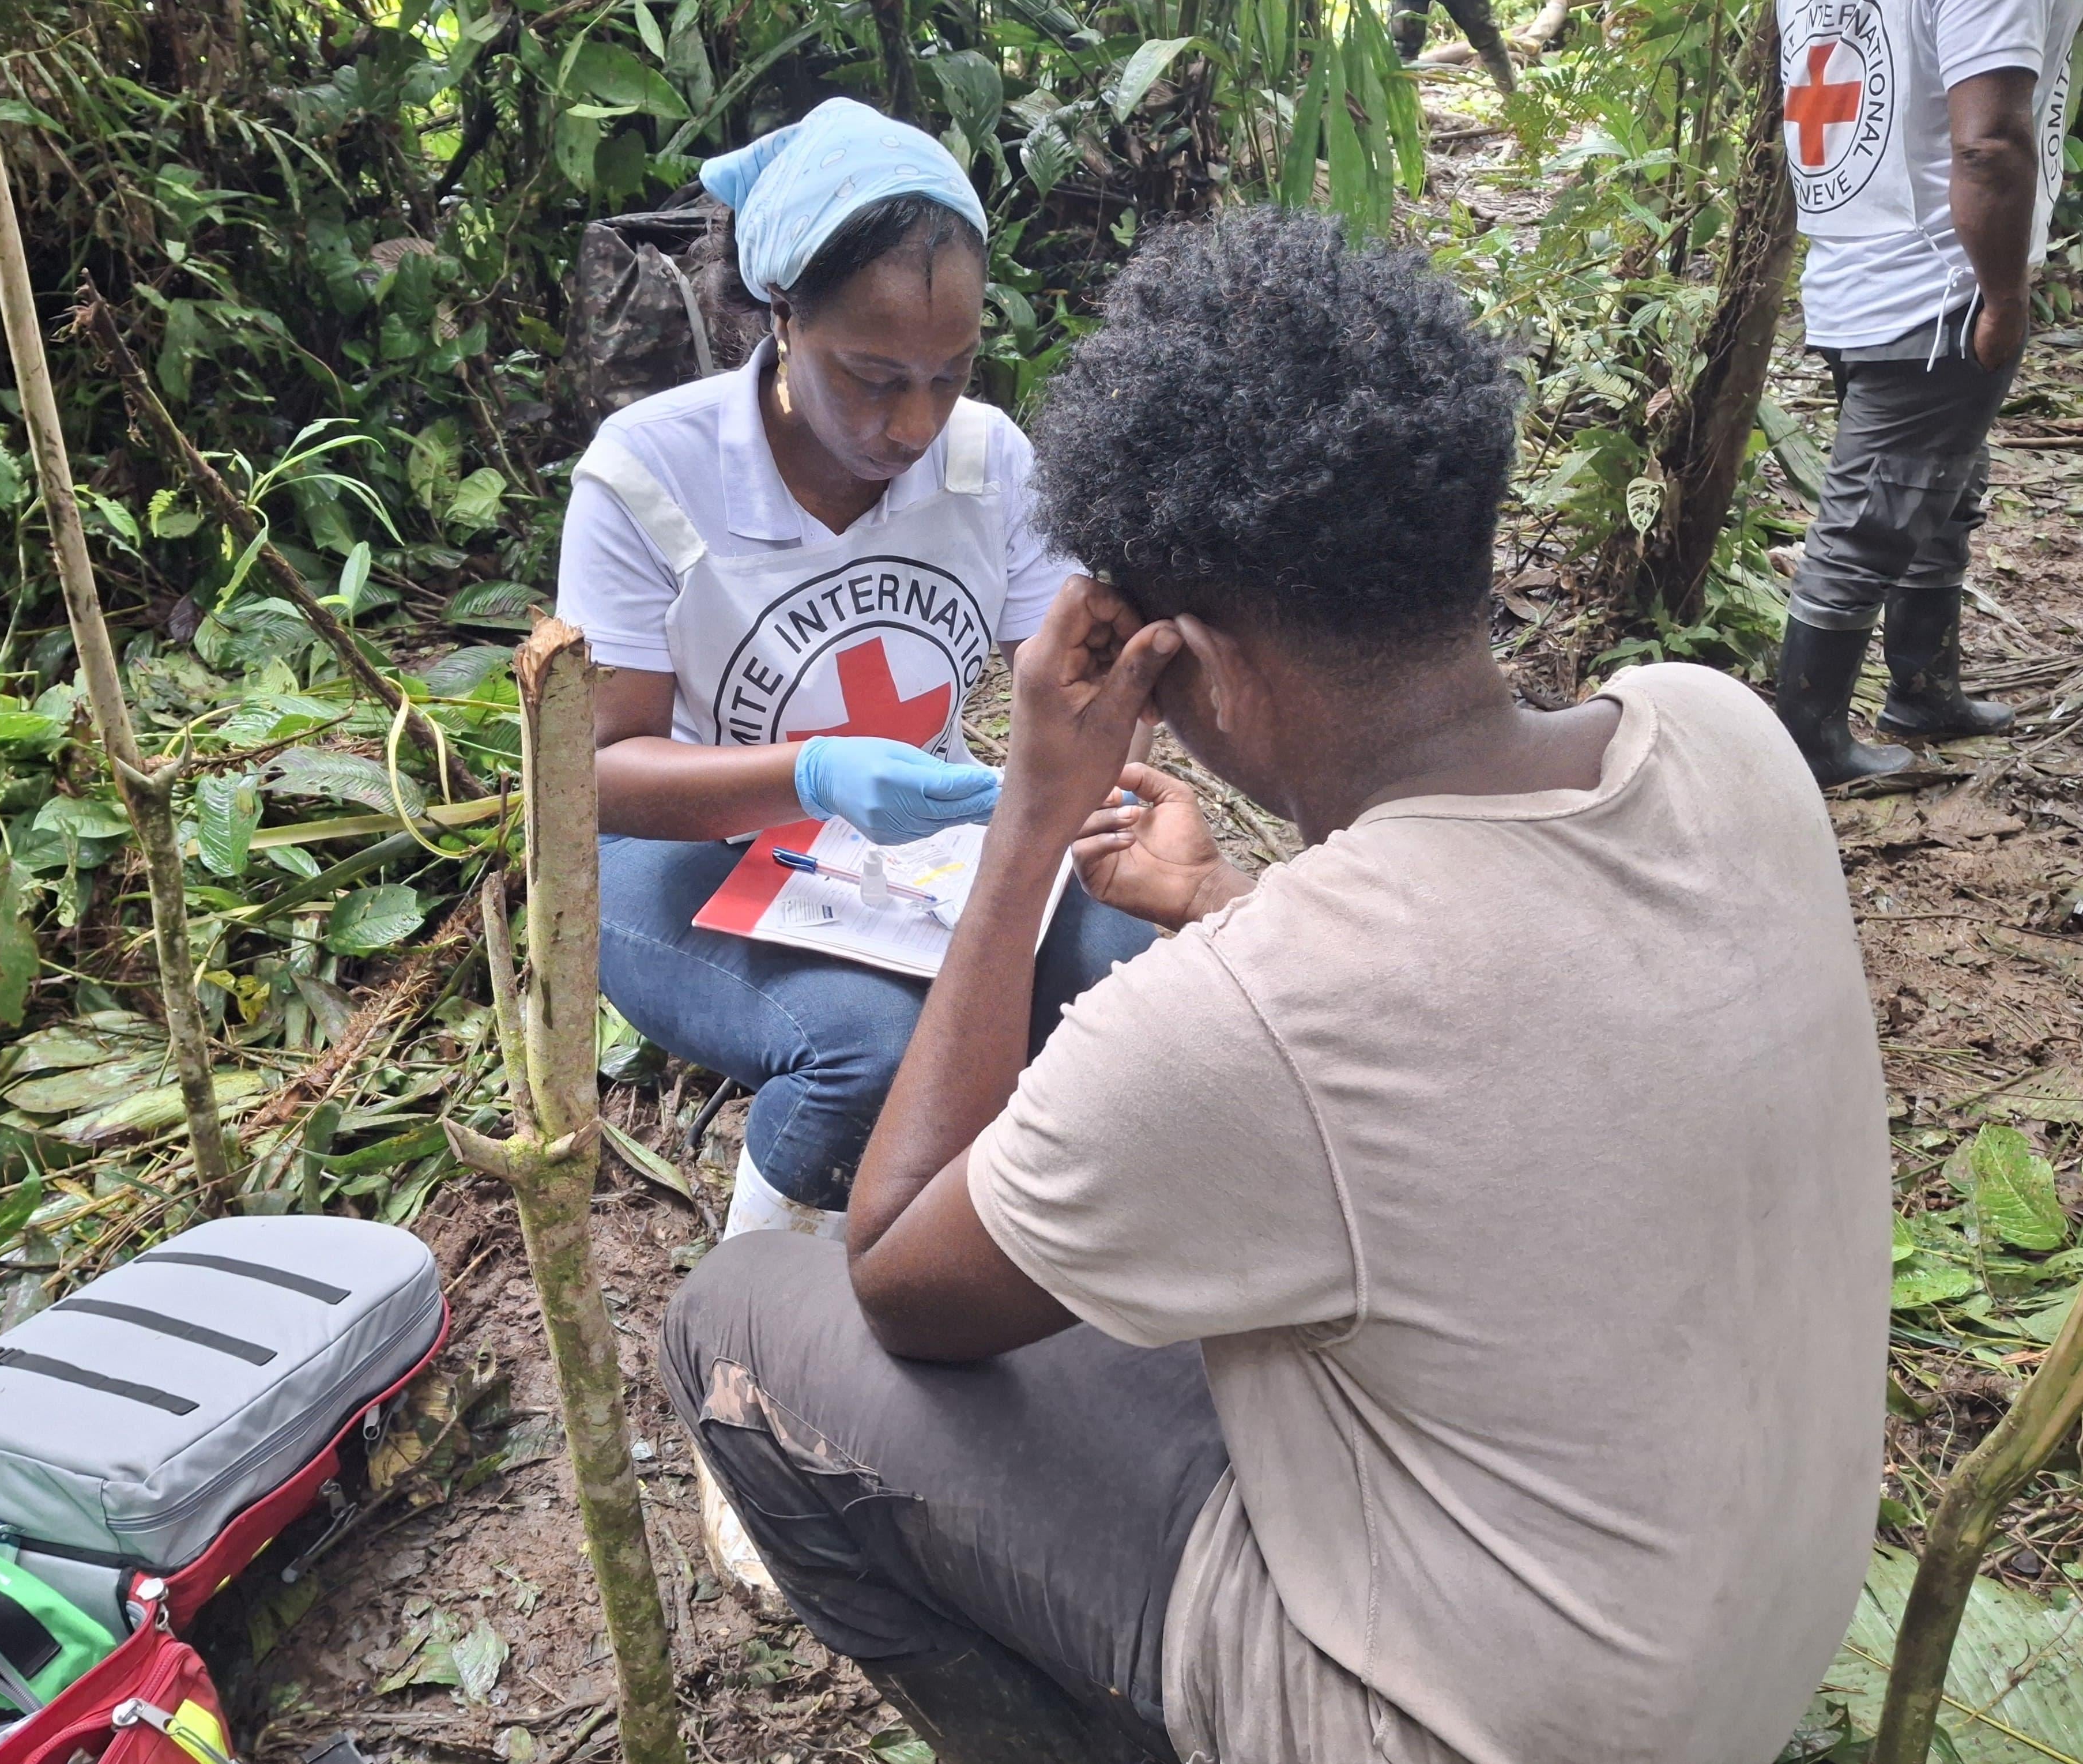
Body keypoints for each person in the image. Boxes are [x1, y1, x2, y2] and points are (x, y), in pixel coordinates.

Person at [660, 209, 1890, 1764]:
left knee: (741, 1320)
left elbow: (898, 1274)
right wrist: (1225, 899)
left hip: (1468, 1729)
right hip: (1733, 1643)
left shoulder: (1257, 1012)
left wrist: (1035, 811)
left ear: (1203, 669)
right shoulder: (1719, 729)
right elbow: (1496, 1023)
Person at [553, 98, 1154, 1242]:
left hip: (917, 854)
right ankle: (753, 1321)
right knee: (866, 1049)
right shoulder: (649, 474)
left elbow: (1067, 685)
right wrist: (812, 777)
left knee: (1130, 972)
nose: (916, 423)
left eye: (951, 371)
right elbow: (598, 780)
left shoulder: (989, 462)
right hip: (689, 851)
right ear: (781, 318)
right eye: (873, 377)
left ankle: (1012, 1254)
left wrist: (1083, 741)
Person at [1773, 0, 2083, 783]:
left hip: (1854, 270)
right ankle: (1811, 745)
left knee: (1943, 485)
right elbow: (1989, 145)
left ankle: (1924, 687)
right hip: (1938, 290)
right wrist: (2007, 299)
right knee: (1873, 519)